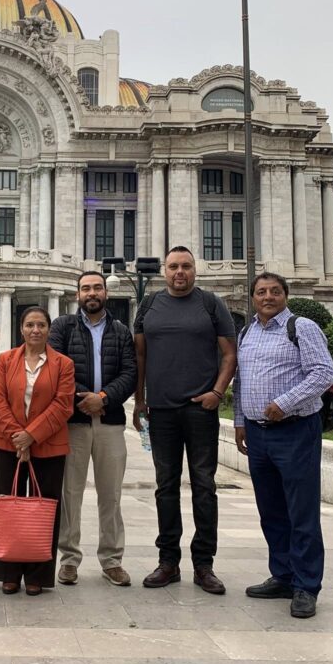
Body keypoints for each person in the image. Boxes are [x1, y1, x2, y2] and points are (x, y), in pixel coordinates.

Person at [133, 246, 237, 594]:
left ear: (195, 270)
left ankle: (204, 564)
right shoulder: (149, 304)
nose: (180, 272)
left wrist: (217, 393)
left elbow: (229, 354)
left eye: (186, 266)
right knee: (165, 486)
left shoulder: (211, 304)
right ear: (164, 271)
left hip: (200, 409)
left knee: (204, 486)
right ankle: (168, 562)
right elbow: (140, 355)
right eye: (174, 266)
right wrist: (140, 400)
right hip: (161, 411)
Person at [234, 273, 333, 619]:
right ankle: (283, 575)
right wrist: (239, 421)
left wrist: (285, 403)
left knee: (301, 511)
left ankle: (306, 585)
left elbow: (323, 373)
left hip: (295, 430)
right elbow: (242, 380)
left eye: (275, 291)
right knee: (272, 510)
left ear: (286, 295)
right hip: (257, 433)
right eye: (261, 292)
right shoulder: (246, 333)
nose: (268, 297)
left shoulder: (301, 327)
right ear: (253, 298)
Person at [48, 272, 138, 587]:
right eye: (86, 288)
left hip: (110, 422)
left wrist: (104, 398)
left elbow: (130, 372)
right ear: (78, 294)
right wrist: (85, 398)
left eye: (97, 287)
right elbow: (55, 368)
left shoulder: (121, 331)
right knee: (70, 494)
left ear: (105, 293)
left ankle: (112, 561)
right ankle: (69, 560)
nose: (92, 293)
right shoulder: (62, 327)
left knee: (111, 495)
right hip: (72, 422)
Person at [0, 307, 75, 595]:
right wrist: (19, 439)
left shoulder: (63, 364)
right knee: (9, 504)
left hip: (48, 445)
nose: (35, 330)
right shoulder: (5, 360)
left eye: (41, 325)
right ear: (21, 329)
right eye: (29, 325)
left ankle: (38, 574)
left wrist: (31, 436)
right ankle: (9, 572)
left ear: (49, 329)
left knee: (46, 507)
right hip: (9, 444)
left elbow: (63, 405)